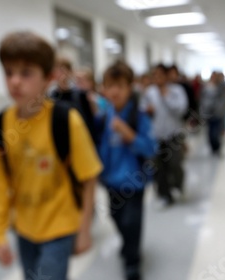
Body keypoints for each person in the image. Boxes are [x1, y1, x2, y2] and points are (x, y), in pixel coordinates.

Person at [0, 31, 102, 280]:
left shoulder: (66, 120)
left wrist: (84, 230)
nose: (15, 81)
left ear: (48, 78)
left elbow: (89, 177)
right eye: (9, 72)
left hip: (61, 226)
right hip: (24, 228)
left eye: (26, 73)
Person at [97, 61, 155, 280]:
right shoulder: (104, 116)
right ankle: (129, 245)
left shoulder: (138, 116)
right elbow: (101, 148)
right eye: (110, 85)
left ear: (130, 88)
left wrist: (129, 134)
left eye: (120, 85)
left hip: (135, 181)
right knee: (115, 216)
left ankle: (133, 261)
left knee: (132, 222)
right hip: (111, 181)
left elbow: (150, 148)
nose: (114, 91)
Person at [143, 63, 188, 206]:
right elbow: (142, 109)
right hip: (155, 137)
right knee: (159, 168)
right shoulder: (149, 92)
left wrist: (166, 96)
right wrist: (147, 110)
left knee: (175, 164)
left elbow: (181, 109)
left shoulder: (176, 91)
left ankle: (178, 184)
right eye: (155, 75)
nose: (158, 78)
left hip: (173, 135)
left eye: (160, 75)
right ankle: (165, 194)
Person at [50, 57, 97, 143]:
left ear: (70, 72)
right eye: (57, 70)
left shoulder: (81, 95)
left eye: (63, 70)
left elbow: (90, 122)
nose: (60, 74)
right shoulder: (52, 97)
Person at [200, 72, 225, 155]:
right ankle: (213, 147)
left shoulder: (221, 88)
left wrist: (218, 110)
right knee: (210, 132)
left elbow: (223, 101)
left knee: (215, 132)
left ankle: (216, 147)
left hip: (217, 114)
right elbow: (202, 100)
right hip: (208, 114)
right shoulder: (206, 87)